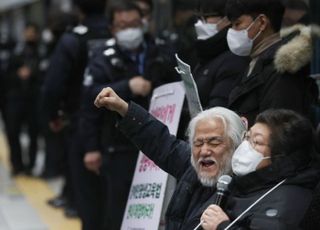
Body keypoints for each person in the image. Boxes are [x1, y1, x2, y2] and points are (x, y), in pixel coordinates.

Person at [80, 1, 178, 229]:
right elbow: (89, 102)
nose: (130, 29)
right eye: (123, 25)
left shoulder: (162, 51)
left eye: (134, 23)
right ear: (112, 28)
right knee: (118, 211)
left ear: (143, 22)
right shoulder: (102, 58)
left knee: (159, 211)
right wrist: (126, 87)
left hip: (160, 143)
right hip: (119, 148)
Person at [94, 86, 246, 229]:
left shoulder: (248, 190)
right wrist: (123, 109)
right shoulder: (191, 165)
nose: (204, 151)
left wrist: (223, 227)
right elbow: (160, 141)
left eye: (214, 142)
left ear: (236, 144)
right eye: (198, 143)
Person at [42, 0, 110, 221]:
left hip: (80, 124)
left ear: (78, 9)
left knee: (87, 196)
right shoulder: (114, 33)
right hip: (120, 122)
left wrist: (53, 115)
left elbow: (53, 86)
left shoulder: (72, 39)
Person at [200, 109, 320, 229]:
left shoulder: (289, 200)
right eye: (247, 137)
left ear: (280, 155)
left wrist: (223, 227)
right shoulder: (244, 183)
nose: (245, 146)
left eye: (256, 142)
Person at [226, 0, 318, 127]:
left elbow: (277, 131)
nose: (232, 31)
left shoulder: (282, 68)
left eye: (237, 24)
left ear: (262, 22)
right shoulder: (255, 62)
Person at [5, 23, 41, 176]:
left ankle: (30, 165)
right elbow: (5, 75)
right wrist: (18, 75)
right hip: (15, 98)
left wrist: (31, 73)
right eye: (28, 32)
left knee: (33, 134)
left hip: (33, 99)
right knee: (13, 132)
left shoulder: (41, 51)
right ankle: (16, 164)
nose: (30, 35)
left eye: (33, 32)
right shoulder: (15, 51)